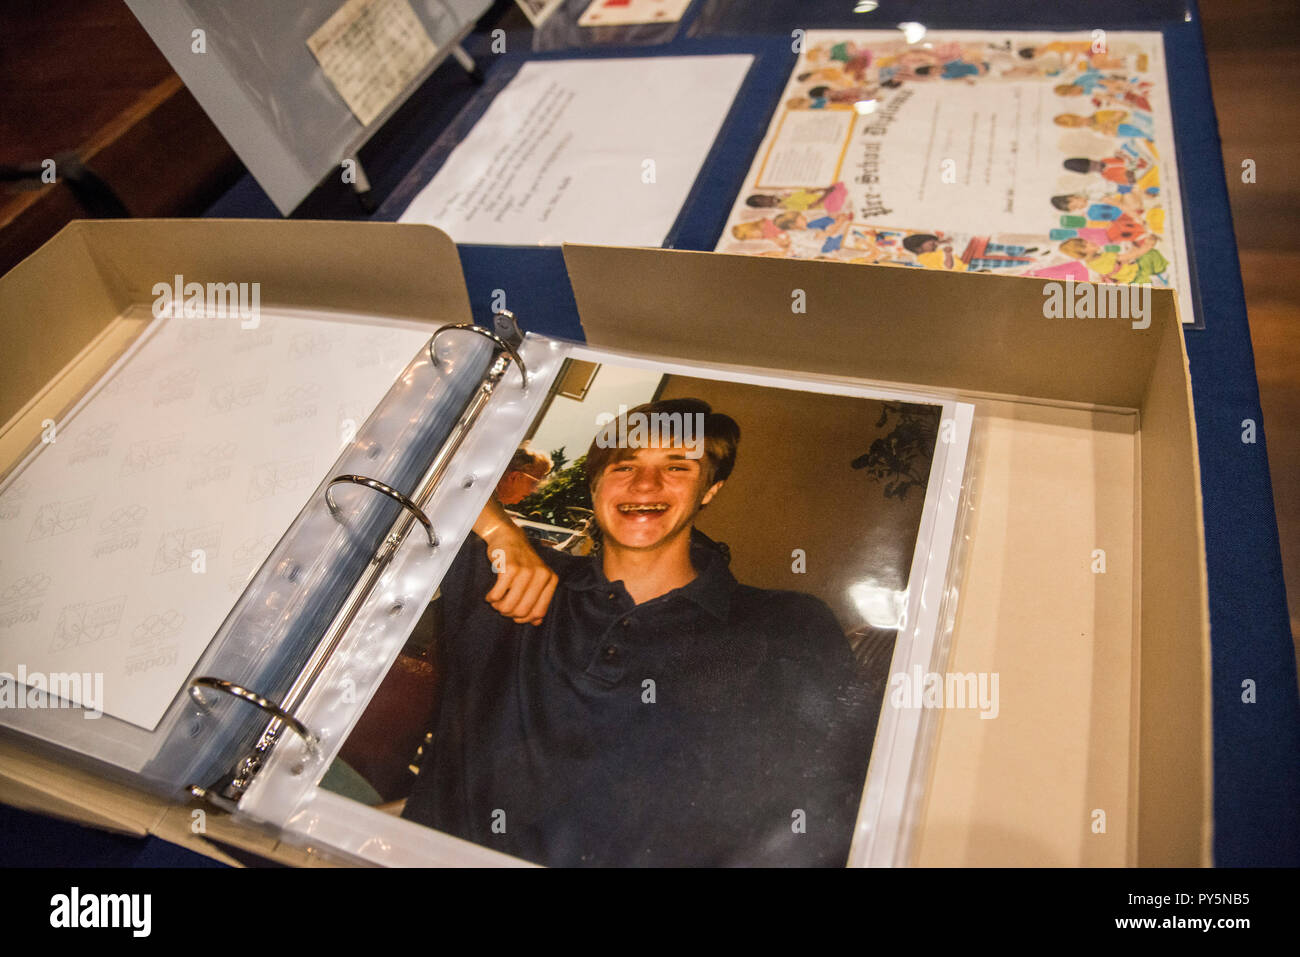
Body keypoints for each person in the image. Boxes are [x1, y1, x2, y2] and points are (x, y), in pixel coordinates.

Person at [403, 399, 872, 866]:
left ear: (711, 489)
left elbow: (826, 814)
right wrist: (500, 533)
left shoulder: (786, 626)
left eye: (677, 467)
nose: (645, 484)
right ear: (595, 484)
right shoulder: (504, 575)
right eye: (624, 465)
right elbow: (404, 455)